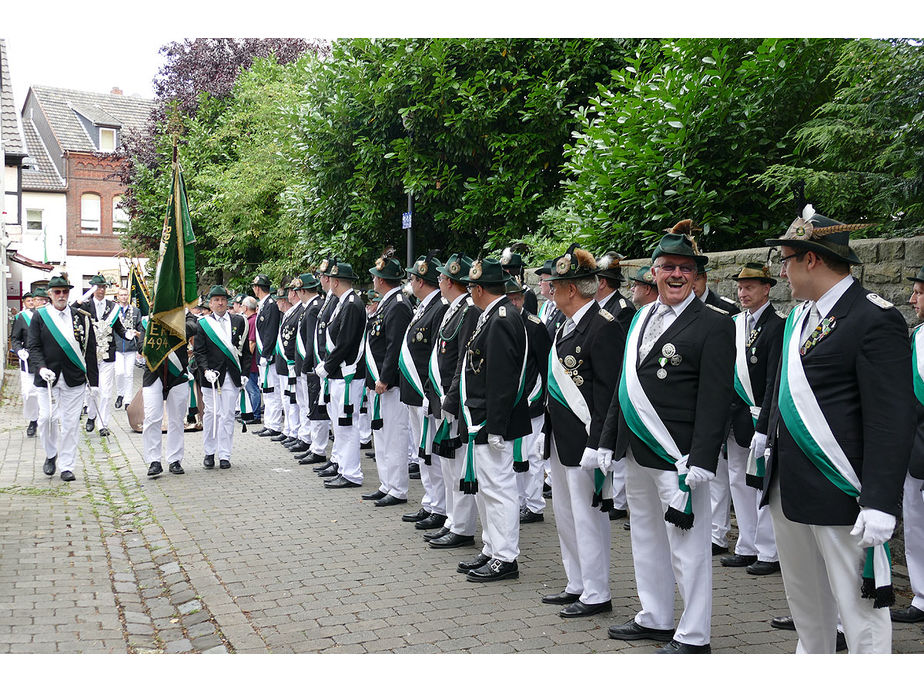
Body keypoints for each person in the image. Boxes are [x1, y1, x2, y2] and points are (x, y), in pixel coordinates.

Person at [759, 205, 913, 653]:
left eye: (786, 259)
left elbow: (891, 417)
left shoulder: (873, 317)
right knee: (807, 609)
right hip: (789, 488)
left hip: (842, 494)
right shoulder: (798, 319)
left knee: (860, 616)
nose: (782, 270)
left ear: (812, 259)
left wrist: (882, 502)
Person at [600, 224, 735, 653]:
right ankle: (656, 616)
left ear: (696, 276)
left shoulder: (715, 324)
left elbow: (717, 398)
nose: (676, 274)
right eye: (668, 267)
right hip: (639, 450)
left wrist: (702, 459)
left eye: (685, 268)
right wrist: (607, 441)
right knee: (645, 537)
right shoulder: (640, 317)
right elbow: (625, 386)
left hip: (680, 458)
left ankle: (694, 635)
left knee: (688, 549)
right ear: (653, 273)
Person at [541, 245, 625, 618]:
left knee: (588, 517)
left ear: (571, 289)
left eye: (555, 285)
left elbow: (608, 393)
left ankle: (596, 591)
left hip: (586, 442)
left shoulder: (603, 327)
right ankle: (576, 581)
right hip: (561, 438)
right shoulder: (566, 324)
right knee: (565, 513)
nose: (550, 290)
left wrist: (599, 444)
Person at [455, 257, 530, 582]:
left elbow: (502, 379)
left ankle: (505, 557)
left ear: (479, 289)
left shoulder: (500, 319)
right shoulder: (494, 315)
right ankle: (491, 548)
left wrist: (496, 427)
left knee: (499, 490)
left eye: (472, 287)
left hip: (493, 421)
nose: (470, 293)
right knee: (488, 489)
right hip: (483, 418)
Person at [718, 263, 782, 574]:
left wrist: (765, 423)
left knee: (760, 486)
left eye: (750, 287)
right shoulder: (734, 323)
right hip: (735, 418)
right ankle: (747, 543)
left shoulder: (777, 325)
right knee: (737, 483)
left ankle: (768, 551)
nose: (743, 293)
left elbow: (774, 380)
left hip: (759, 418)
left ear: (767, 288)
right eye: (741, 288)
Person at [425, 253, 482, 548]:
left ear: (449, 281)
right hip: (443, 397)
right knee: (447, 466)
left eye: (442, 277)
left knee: (458, 466)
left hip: (455, 401)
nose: (439, 281)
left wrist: (450, 399)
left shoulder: (468, 311)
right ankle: (451, 519)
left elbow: (462, 360)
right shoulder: (451, 309)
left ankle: (462, 527)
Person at [28, 275, 99, 482]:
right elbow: (34, 346)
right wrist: (40, 368)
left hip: (74, 377)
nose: (61, 295)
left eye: (65, 292)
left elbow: (90, 352)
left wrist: (94, 383)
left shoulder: (81, 317)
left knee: (70, 424)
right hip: (48, 378)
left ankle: (67, 465)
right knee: (47, 419)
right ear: (50, 294)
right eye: (57, 292)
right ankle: (51, 454)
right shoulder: (40, 316)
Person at [398, 254, 450, 529]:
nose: (410, 282)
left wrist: (431, 394)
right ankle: (431, 502)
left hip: (426, 392)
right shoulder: (423, 307)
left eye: (412, 277)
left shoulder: (439, 308)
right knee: (423, 453)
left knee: (431, 453)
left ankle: (439, 507)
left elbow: (435, 358)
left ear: (420, 281)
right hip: (415, 392)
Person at [362, 253, 413, 506]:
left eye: (375, 276)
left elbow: (395, 347)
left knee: (394, 437)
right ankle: (386, 483)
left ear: (383, 280)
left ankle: (398, 489)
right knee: (381, 436)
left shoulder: (399, 305)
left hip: (390, 385)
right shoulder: (387, 303)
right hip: (379, 384)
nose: (372, 279)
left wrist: (384, 377)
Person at [314, 261, 367, 489]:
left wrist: (327, 366)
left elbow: (345, 342)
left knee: (347, 425)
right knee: (340, 425)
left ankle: (351, 472)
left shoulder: (352, 304)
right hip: (340, 374)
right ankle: (343, 467)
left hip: (347, 374)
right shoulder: (342, 302)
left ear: (335, 282)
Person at [505, 276, 552, 525]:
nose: (513, 302)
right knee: (516, 456)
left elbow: (546, 366)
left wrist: (544, 400)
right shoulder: (503, 323)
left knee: (532, 456)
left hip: (532, 399)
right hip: (512, 401)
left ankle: (534, 506)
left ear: (522, 299)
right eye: (509, 298)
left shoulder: (534, 326)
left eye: (516, 298)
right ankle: (521, 501)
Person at [894, 265, 924, 624]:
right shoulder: (915, 336)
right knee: (916, 526)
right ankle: (920, 596)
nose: (912, 299)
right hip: (916, 447)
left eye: (918, 293)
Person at [194, 285, 251, 470]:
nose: (220, 303)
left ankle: (225, 454)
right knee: (211, 414)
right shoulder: (203, 324)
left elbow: (244, 352)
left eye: (223, 299)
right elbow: (199, 351)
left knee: (227, 415)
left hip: (231, 375)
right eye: (216, 300)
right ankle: (209, 452)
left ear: (228, 302)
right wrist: (204, 370)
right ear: (210, 303)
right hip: (211, 377)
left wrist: (245, 374)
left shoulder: (239, 321)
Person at [142, 315, 195, 477]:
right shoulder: (148, 321)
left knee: (177, 419)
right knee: (152, 417)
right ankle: (154, 460)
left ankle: (175, 459)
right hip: (153, 373)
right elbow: (141, 346)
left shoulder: (187, 318)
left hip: (177, 374)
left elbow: (193, 328)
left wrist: (172, 322)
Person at [78, 275, 130, 436]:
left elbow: (119, 328)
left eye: (103, 287)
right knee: (92, 390)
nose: (101, 290)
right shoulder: (85, 305)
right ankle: (92, 416)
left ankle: (103, 424)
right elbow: (73, 312)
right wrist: (83, 297)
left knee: (106, 392)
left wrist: (128, 335)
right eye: (97, 287)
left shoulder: (112, 307)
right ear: (93, 289)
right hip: (91, 355)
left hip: (108, 354)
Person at [290, 274, 323, 457]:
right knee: (305, 404)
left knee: (309, 405)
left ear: (302, 290)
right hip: (306, 363)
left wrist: (306, 365)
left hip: (308, 365)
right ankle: (308, 440)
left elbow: (311, 341)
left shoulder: (313, 308)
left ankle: (311, 442)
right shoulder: (311, 307)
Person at [251, 274, 284, 438]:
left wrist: (266, 353)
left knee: (273, 391)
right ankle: (269, 423)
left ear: (257, 288)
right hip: (263, 356)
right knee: (268, 391)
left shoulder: (270, 305)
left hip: (269, 356)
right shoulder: (264, 305)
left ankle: (275, 425)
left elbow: (271, 332)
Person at [274, 282, 303, 448]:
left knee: (294, 401)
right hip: (286, 363)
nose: (289, 294)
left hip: (291, 363)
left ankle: (296, 432)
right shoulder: (292, 311)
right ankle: (291, 430)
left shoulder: (300, 310)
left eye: (292, 291)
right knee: (289, 400)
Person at [10, 291, 39, 437]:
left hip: (43, 359)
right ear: (24, 303)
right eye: (29, 301)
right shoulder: (21, 317)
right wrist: (19, 350)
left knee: (42, 392)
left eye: (33, 300)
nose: (32, 303)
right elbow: (15, 338)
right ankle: (33, 419)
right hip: (27, 359)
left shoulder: (43, 315)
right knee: (28, 393)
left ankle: (41, 420)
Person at [113, 287, 143, 410]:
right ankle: (120, 393)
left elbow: (141, 328)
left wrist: (137, 333)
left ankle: (128, 400)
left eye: (126, 295)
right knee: (119, 372)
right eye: (122, 295)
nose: (124, 297)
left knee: (129, 374)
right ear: (118, 296)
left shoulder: (135, 311)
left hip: (131, 346)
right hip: (117, 346)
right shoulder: (114, 311)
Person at [595, 250, 636, 333]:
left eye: (592, 280)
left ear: (602, 283)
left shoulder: (624, 311)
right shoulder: (594, 305)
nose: (588, 283)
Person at [242, 296, 261, 425]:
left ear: (246, 307)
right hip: (252, 361)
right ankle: (253, 413)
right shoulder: (250, 320)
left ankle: (256, 414)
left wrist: (246, 359)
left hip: (251, 362)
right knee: (250, 387)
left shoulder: (252, 321)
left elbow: (252, 342)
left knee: (252, 388)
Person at [501, 247, 538, 314]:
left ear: (520, 271)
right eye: (504, 270)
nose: (507, 272)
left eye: (512, 269)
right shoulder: (502, 291)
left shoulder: (527, 293)